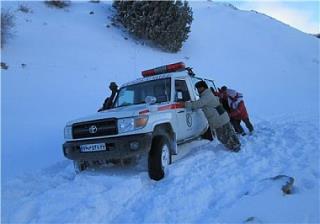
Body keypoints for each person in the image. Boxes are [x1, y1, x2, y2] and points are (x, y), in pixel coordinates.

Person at [181, 81, 241, 152]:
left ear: (202, 87)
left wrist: (185, 104)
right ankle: (236, 145)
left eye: (198, 88)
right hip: (222, 117)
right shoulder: (208, 94)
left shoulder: (206, 96)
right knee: (229, 132)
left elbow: (197, 104)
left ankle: (233, 147)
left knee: (222, 136)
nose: (197, 90)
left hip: (219, 119)